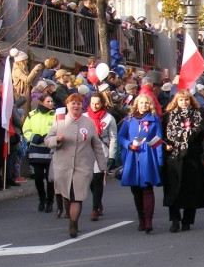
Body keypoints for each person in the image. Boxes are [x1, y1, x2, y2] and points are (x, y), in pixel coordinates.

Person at [46, 93, 107, 237]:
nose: (76, 106)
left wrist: (102, 166)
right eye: (73, 103)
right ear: (67, 105)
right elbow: (48, 140)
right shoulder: (59, 122)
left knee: (77, 196)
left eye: (79, 103)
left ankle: (73, 224)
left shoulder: (88, 123)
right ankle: (70, 215)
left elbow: (97, 145)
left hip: (82, 166)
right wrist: (57, 140)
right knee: (67, 196)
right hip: (63, 166)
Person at [162, 89, 204, 232]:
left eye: (187, 100)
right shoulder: (169, 116)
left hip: (193, 158)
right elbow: (164, 135)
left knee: (192, 190)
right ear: (176, 101)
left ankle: (187, 221)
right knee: (173, 190)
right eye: (181, 100)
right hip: (174, 158)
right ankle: (175, 219)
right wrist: (166, 146)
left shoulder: (198, 115)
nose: (184, 102)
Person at [117, 94, 164, 233]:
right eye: (141, 103)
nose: (144, 105)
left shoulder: (154, 120)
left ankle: (148, 219)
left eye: (146, 103)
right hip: (132, 156)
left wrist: (160, 161)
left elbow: (158, 141)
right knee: (136, 190)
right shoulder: (128, 119)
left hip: (148, 156)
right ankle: (141, 218)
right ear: (136, 104)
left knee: (147, 188)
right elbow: (121, 136)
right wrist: (128, 145)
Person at [86, 91, 118, 221]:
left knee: (98, 179)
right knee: (91, 181)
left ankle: (95, 208)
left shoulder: (109, 118)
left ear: (102, 104)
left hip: (102, 150)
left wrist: (112, 155)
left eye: (97, 104)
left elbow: (113, 137)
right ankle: (97, 201)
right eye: (93, 103)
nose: (95, 106)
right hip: (87, 151)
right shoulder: (84, 117)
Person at [23, 92, 57, 212]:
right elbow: (26, 129)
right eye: (48, 101)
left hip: (51, 150)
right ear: (41, 102)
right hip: (36, 149)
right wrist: (34, 137)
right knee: (38, 177)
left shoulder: (56, 115)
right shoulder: (32, 115)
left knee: (50, 178)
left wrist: (51, 138)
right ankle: (41, 198)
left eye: (52, 101)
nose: (51, 103)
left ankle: (49, 201)